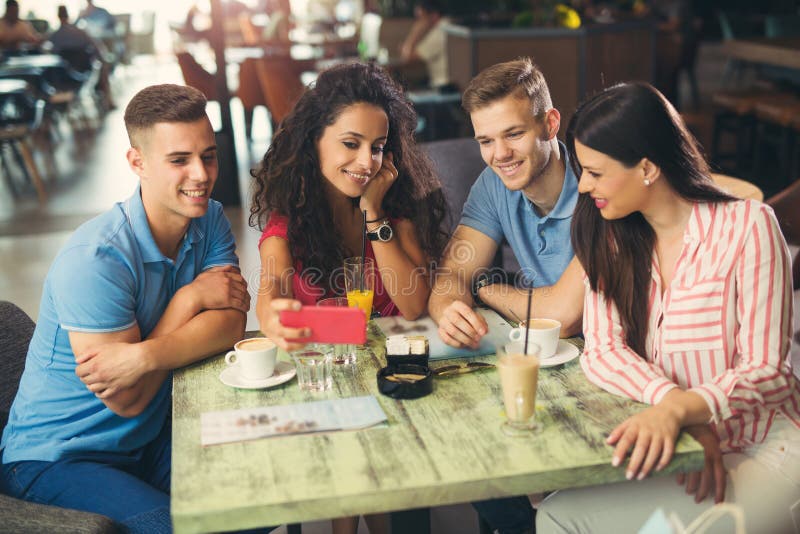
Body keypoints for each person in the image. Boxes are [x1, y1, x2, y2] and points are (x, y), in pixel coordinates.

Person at [537, 82, 800, 533]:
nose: (583, 185)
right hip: (680, 441)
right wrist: (675, 407)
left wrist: (683, 411)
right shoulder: (614, 237)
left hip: (767, 445)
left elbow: (769, 369)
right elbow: (603, 349)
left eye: (596, 172)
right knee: (556, 515)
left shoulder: (749, 227)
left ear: (647, 168)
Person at [0, 84, 250, 533]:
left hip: (145, 439)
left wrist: (143, 356)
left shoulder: (207, 218)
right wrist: (188, 299)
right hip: (57, 457)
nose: (201, 174)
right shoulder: (96, 260)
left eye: (208, 156)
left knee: (263, 497)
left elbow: (231, 322)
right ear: (137, 163)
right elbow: (128, 399)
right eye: (179, 160)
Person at [250, 61, 447, 534]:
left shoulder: (394, 209)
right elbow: (271, 291)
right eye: (350, 144)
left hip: (393, 381)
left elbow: (415, 304)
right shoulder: (289, 222)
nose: (367, 162)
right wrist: (275, 316)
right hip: (327, 381)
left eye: (378, 147)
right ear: (314, 140)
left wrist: (373, 211)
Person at [428, 57, 584, 350]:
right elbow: (452, 275)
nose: (500, 154)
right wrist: (449, 311)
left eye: (514, 134)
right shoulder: (492, 184)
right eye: (486, 141)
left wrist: (485, 290)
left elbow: (564, 317)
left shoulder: (596, 184)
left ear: (550, 125)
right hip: (547, 356)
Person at [47, 5, 115, 109]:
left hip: (64, 77)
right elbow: (97, 48)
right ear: (68, 16)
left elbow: (52, 55)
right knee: (101, 65)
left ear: (58, 17)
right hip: (85, 73)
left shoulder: (54, 36)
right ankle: (108, 100)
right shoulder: (80, 32)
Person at [399, 0, 453, 91]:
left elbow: (408, 57)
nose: (419, 22)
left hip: (443, 88)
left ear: (434, 15)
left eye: (421, 18)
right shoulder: (447, 25)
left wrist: (415, 31)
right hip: (447, 86)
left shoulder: (440, 32)